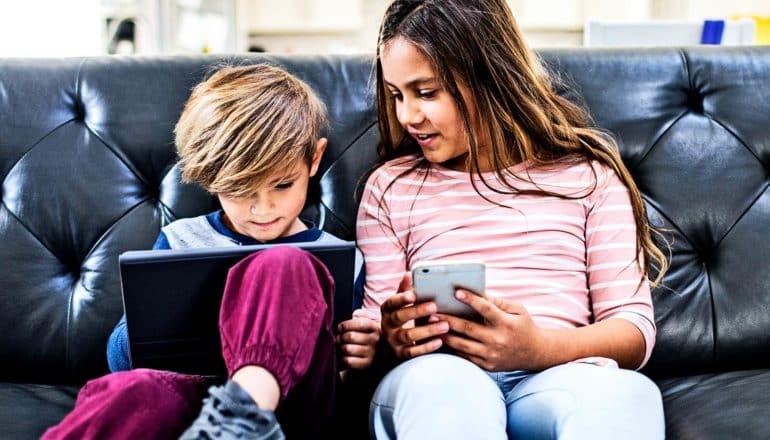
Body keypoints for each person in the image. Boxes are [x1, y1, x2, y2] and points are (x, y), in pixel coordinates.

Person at [355, 1, 670, 439]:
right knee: (445, 386)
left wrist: (537, 348)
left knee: (624, 393)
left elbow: (633, 330)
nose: (407, 115)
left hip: (552, 376)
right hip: (439, 378)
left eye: (426, 93)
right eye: (396, 95)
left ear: (490, 78)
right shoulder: (392, 187)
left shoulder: (586, 178)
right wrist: (390, 340)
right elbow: (374, 322)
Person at [43, 64, 380, 440]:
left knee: (285, 263)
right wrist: (151, 321)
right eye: (240, 189)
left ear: (314, 159)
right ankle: (226, 426)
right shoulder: (180, 240)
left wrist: (360, 357)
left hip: (293, 414)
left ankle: (243, 417)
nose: (263, 209)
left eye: (282, 185)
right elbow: (122, 361)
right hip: (196, 410)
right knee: (131, 393)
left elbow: (342, 384)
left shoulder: (341, 259)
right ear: (210, 176)